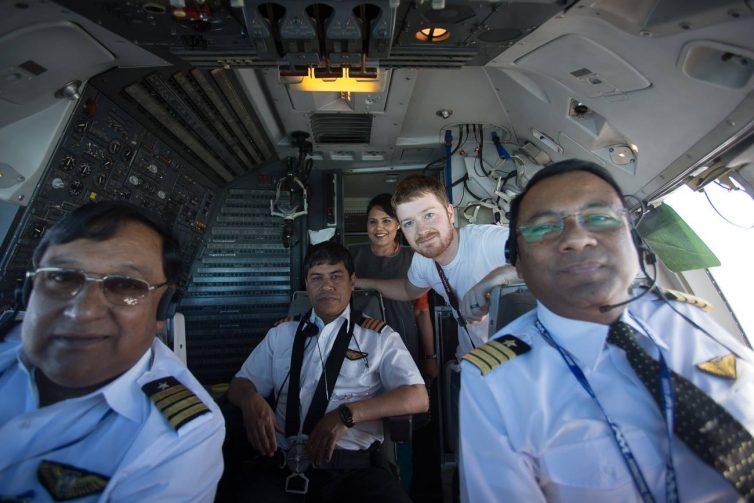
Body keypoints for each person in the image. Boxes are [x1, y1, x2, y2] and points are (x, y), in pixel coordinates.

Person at [459, 159, 754, 502]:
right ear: (518, 264)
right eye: (543, 227)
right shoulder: (495, 381)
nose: (578, 238)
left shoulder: (688, 318)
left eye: (599, 218)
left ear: (635, 243)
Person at [0, 201, 225, 502]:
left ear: (163, 309)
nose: (81, 312)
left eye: (125, 285)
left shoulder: (183, 436)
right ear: (27, 292)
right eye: (61, 277)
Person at [228, 242, 428, 502]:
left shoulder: (378, 338)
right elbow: (240, 384)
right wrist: (249, 400)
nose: (327, 286)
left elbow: (417, 397)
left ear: (352, 282)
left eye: (336, 276)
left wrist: (347, 414)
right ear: (307, 284)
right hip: (281, 465)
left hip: (353, 471)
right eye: (317, 278)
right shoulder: (281, 334)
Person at [356, 174, 517, 359]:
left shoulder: (487, 240)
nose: (422, 230)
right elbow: (407, 290)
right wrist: (360, 283)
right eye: (409, 223)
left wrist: (492, 281)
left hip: (519, 362)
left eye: (429, 215)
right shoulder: (423, 261)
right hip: (472, 361)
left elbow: (547, 256)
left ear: (450, 213)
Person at [350, 193, 437, 378]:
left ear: (398, 224)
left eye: (386, 221)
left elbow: (422, 311)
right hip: (360, 341)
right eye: (372, 222)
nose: (378, 228)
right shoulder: (351, 256)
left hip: (403, 337)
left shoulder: (414, 258)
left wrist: (429, 356)